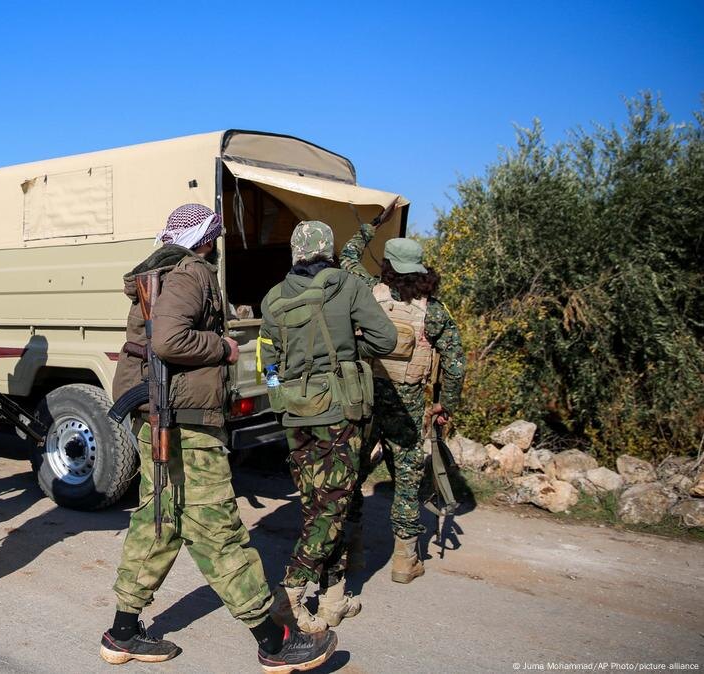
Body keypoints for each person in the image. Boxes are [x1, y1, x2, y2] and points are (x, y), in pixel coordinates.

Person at [102, 204, 336, 673]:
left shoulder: (162, 270)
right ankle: (273, 640)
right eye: (216, 235)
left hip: (163, 417)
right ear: (207, 238)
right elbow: (169, 341)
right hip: (183, 421)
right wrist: (224, 348)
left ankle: (123, 632)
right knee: (219, 529)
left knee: (159, 521)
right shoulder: (191, 272)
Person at [257, 220, 397, 632]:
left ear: (296, 252)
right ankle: (291, 592)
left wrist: (277, 390)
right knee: (334, 503)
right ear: (328, 249)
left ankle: (333, 598)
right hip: (339, 411)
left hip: (296, 413)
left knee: (315, 503)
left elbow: (266, 360)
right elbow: (386, 340)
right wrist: (352, 349)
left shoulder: (272, 298)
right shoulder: (349, 286)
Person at [339, 199, 466, 583]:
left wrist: (376, 222)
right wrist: (446, 403)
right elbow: (456, 363)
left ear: (387, 266)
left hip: (366, 400)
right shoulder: (434, 311)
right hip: (408, 406)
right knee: (407, 481)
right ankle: (403, 561)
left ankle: (352, 553)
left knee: (353, 474)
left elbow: (346, 255)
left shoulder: (367, 292)